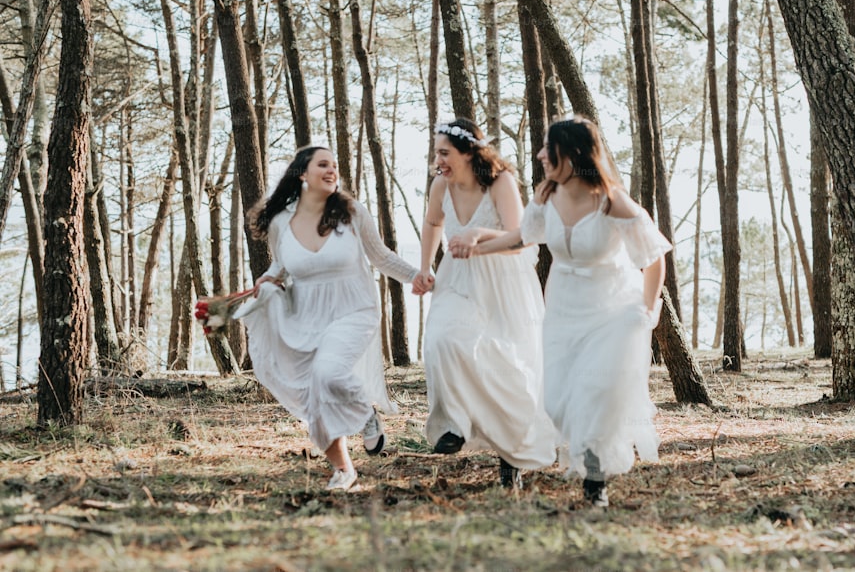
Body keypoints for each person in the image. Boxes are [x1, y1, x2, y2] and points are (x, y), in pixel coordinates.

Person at [451, 116, 670, 507]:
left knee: (596, 391)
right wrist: (478, 247)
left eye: (548, 148)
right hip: (564, 306)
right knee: (557, 400)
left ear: (572, 154)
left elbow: (653, 258)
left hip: (612, 309)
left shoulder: (610, 200)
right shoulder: (546, 195)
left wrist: (646, 310)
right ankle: (589, 462)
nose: (540, 155)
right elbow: (522, 237)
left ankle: (595, 481)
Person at [236, 146, 431, 492]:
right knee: (314, 398)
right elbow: (282, 266)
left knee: (329, 372)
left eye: (334, 165)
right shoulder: (282, 222)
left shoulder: (351, 212)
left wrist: (417, 276)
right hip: (304, 315)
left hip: (353, 310)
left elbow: (381, 256)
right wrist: (268, 279)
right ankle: (343, 470)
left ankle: (365, 412)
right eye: (322, 164)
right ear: (302, 174)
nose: (331, 170)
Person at [416, 118, 556, 489]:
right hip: (457, 278)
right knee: (442, 340)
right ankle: (453, 425)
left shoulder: (500, 182)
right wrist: (425, 267)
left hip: (503, 282)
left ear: (467, 152)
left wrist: (478, 233)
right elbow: (432, 224)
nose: (439, 160)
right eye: (437, 153)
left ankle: (511, 454)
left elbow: (524, 236)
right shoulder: (440, 185)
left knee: (506, 365)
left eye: (444, 153)